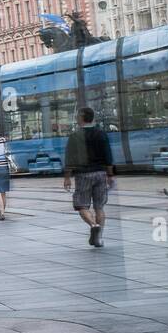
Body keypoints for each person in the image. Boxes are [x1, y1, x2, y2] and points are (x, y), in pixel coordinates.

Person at [63, 106, 114, 248]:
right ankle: (99, 238)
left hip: (83, 175)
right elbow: (108, 157)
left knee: (81, 205)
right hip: (100, 173)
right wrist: (110, 175)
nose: (76, 118)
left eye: (78, 116)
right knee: (99, 207)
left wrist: (67, 177)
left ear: (82, 118)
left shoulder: (74, 136)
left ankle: (93, 225)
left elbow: (69, 159)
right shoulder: (101, 134)